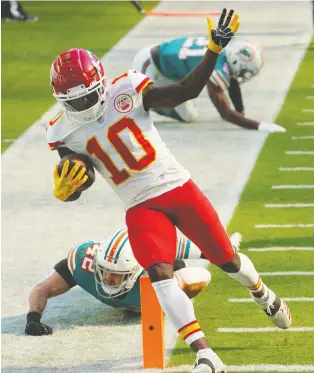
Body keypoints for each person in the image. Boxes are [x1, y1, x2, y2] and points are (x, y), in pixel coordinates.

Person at [46, 10, 291, 373]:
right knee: (159, 275)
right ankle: (205, 353)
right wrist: (70, 188)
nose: (81, 106)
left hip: (177, 187)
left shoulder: (127, 88)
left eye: (86, 98)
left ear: (101, 84)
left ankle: (261, 291)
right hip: (138, 204)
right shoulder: (61, 130)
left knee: (227, 258)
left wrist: (213, 49)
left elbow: (186, 91)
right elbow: (82, 173)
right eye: (73, 101)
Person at [26, 228, 234, 336]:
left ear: (134, 272)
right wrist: (33, 319)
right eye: (103, 270)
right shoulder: (84, 263)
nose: (106, 278)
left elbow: (203, 277)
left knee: (186, 281)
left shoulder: (159, 272)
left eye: (115, 274)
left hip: (163, 276)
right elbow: (41, 289)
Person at [133, 37, 286, 133]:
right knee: (187, 115)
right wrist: (258, 126)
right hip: (152, 66)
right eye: (245, 70)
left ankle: (149, 99)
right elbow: (225, 113)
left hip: (161, 60)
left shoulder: (223, 50)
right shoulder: (216, 67)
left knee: (185, 102)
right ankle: (144, 102)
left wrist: (240, 112)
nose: (244, 74)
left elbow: (231, 80)